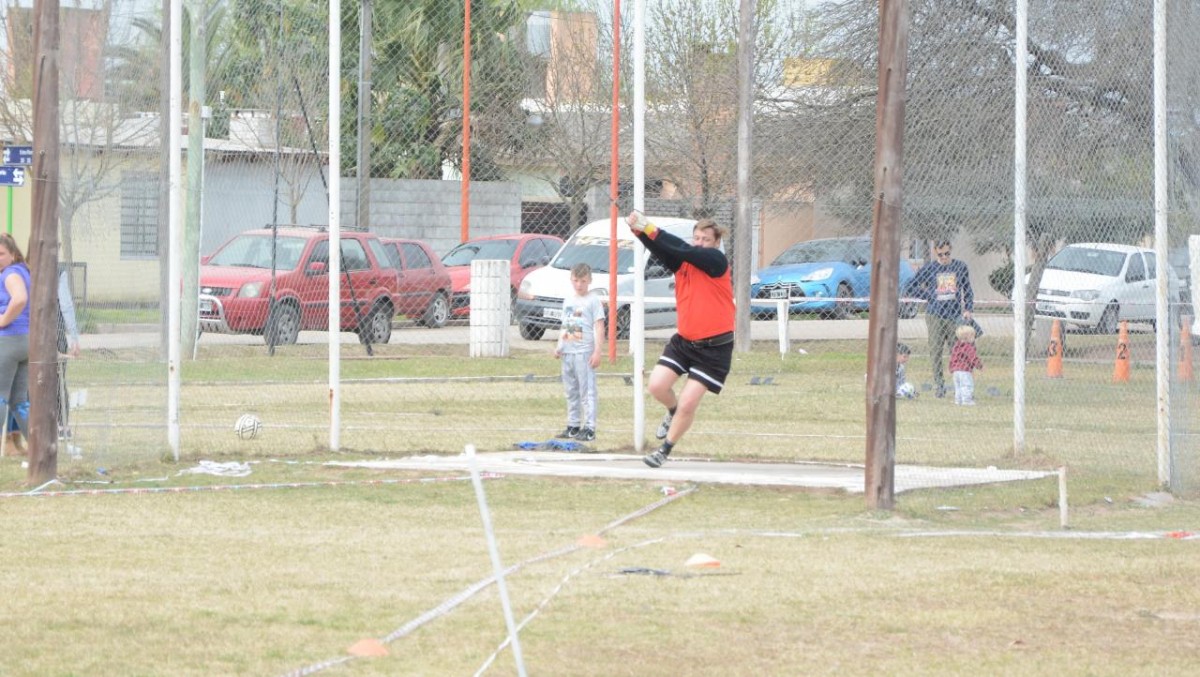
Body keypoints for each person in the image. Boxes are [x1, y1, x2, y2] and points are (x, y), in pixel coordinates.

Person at [625, 210, 735, 468]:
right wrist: (639, 231)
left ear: (715, 243)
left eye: (705, 239)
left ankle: (664, 450)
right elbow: (664, 249)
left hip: (714, 348)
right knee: (656, 386)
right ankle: (671, 412)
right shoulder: (683, 263)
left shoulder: (716, 261)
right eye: (696, 237)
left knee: (688, 403)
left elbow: (686, 251)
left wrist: (651, 227)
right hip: (685, 342)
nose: (699, 243)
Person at [906, 240, 974, 398]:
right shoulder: (929, 268)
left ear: (951, 251)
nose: (944, 257)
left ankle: (960, 385)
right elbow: (911, 286)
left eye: (947, 254)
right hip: (935, 315)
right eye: (940, 254)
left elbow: (967, 289)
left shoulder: (960, 267)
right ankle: (939, 385)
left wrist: (968, 309)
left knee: (957, 352)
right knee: (935, 351)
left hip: (954, 315)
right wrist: (929, 296)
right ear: (935, 252)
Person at [553, 263, 604, 443]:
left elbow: (599, 326)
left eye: (583, 281)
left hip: (584, 353)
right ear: (571, 280)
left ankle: (589, 427)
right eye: (576, 280)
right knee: (571, 390)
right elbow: (567, 325)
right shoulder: (569, 300)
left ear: (589, 280)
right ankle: (573, 425)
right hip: (569, 352)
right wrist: (560, 346)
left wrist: (597, 351)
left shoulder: (593, 300)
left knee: (587, 391)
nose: (579, 285)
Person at [0, 234, 30, 455]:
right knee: (19, 402)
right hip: (25, 343)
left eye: (1, 254)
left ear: (12, 254)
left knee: (1, 397)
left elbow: (19, 299)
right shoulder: (23, 271)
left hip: (9, 341)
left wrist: (3, 320)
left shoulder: (10, 274)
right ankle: (40, 446)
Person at [949, 324, 983, 405]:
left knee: (958, 387)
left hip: (955, 371)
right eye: (973, 336)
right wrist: (979, 365)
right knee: (967, 385)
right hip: (964, 370)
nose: (974, 338)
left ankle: (958, 400)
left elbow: (953, 358)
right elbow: (973, 357)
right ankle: (967, 401)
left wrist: (951, 367)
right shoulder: (968, 347)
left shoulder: (956, 346)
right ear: (968, 337)